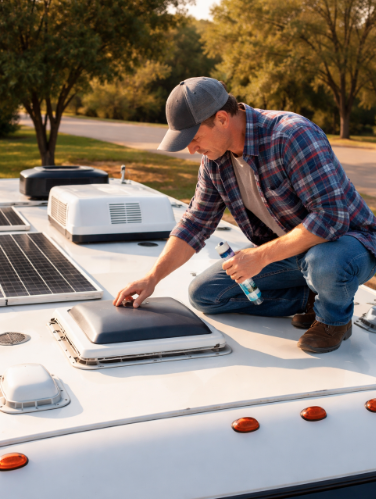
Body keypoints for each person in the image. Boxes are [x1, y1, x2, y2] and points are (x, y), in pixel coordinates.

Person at [113, 77, 376, 354]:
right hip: (291, 251)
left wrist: (261, 257)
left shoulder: (291, 135)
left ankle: (334, 319)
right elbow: (195, 223)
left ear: (222, 119)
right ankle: (310, 297)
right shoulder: (215, 161)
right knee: (205, 295)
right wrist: (152, 277)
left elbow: (330, 219)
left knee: (324, 261)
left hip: (349, 244)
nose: (191, 149)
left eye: (194, 137)